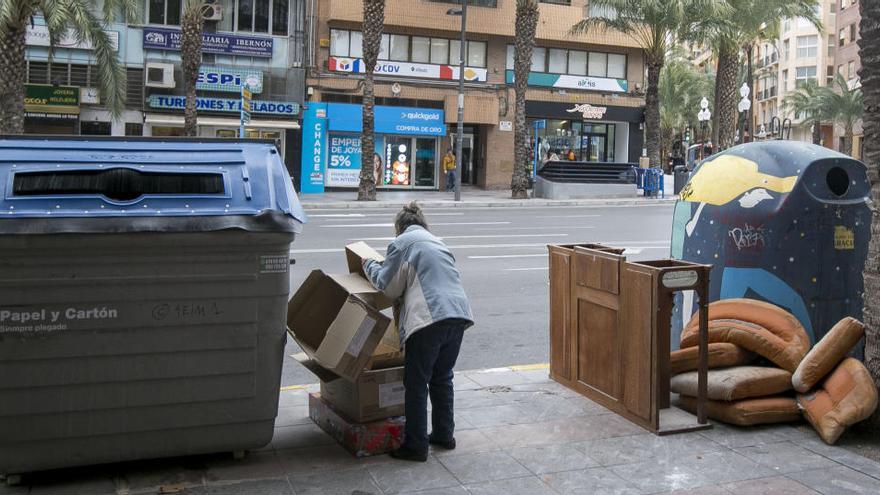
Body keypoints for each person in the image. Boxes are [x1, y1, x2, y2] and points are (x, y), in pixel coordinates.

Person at [362, 202, 474, 462]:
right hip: (458, 314)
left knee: (416, 383)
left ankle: (415, 446)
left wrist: (369, 264)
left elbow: (387, 286)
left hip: (429, 318)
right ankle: (444, 435)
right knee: (442, 377)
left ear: (399, 226)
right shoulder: (438, 242)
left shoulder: (402, 243)